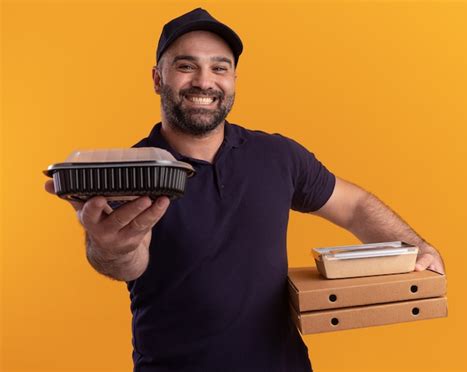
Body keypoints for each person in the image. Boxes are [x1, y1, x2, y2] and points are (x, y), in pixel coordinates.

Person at [45, 8, 445, 372]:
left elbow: (354, 206)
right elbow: (128, 262)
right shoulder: (133, 172)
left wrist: (417, 246)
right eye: (186, 66)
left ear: (233, 79)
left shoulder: (278, 156)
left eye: (220, 68)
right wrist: (112, 247)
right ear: (157, 78)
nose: (205, 81)